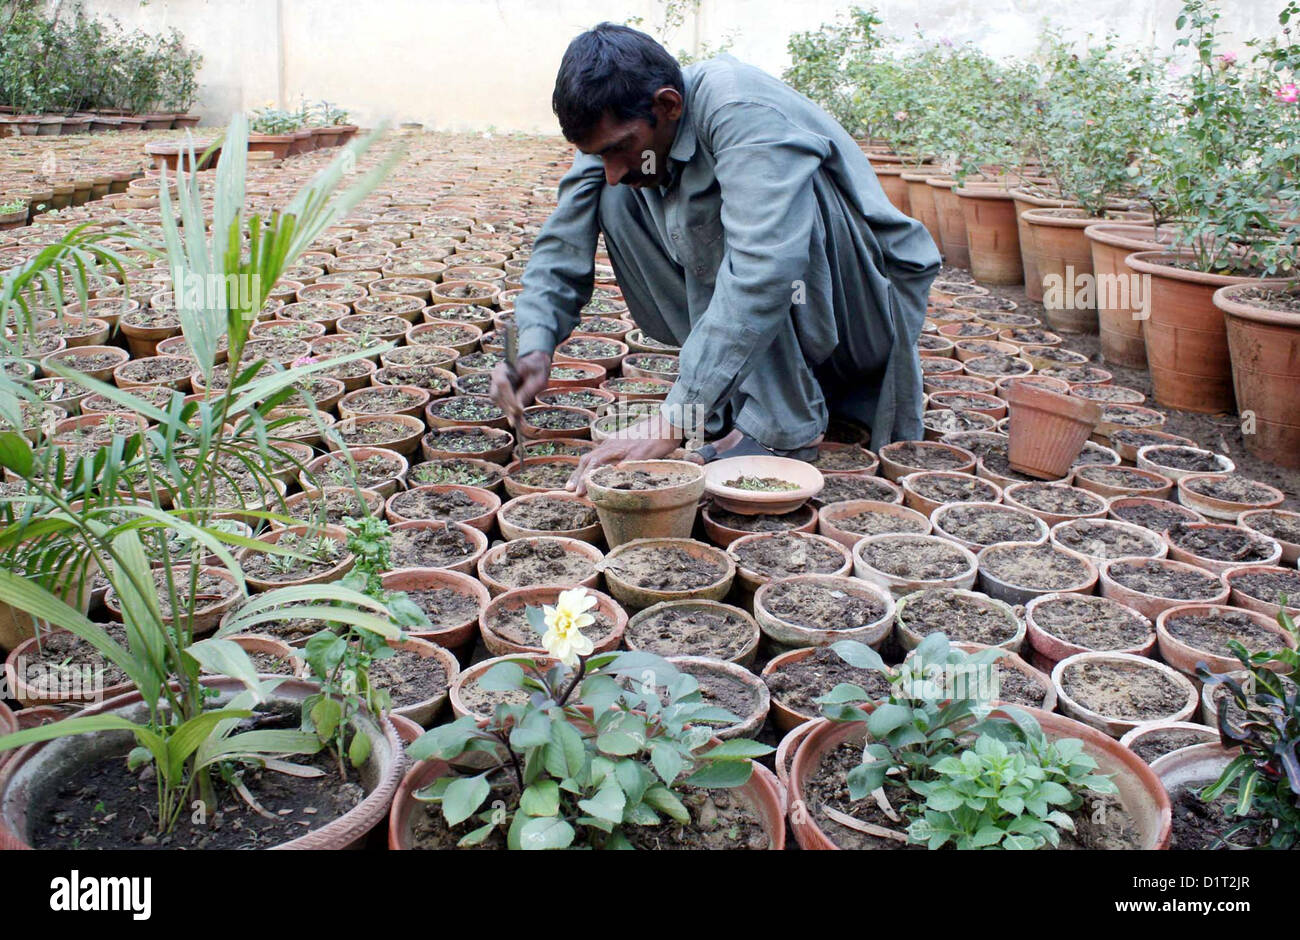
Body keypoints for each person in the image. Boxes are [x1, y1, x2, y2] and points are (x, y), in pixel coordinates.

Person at [490, 22, 941, 494]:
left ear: (668, 105)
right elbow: (560, 245)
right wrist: (535, 347)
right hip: (792, 300)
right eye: (599, 153)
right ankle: (732, 400)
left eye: (619, 148)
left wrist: (676, 418)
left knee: (743, 219)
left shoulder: (739, 109)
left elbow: (765, 270)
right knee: (613, 195)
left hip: (860, 303)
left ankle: (781, 428)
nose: (615, 167)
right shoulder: (626, 134)